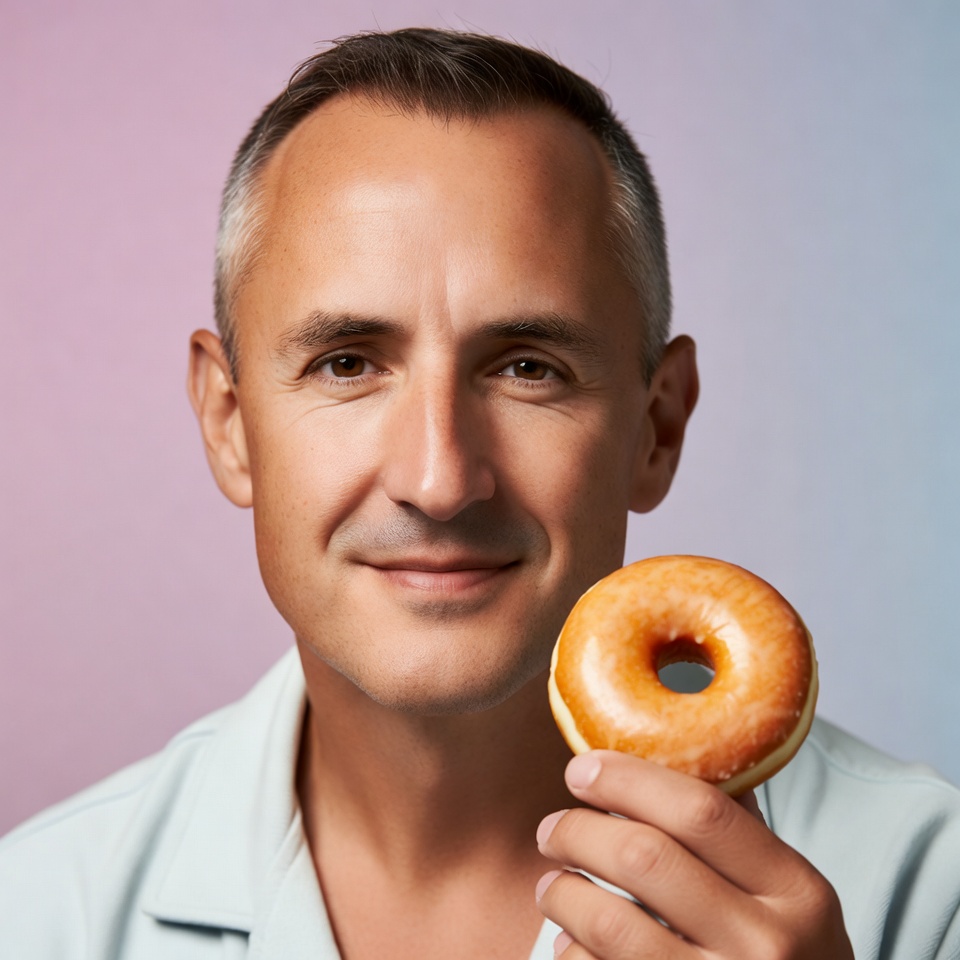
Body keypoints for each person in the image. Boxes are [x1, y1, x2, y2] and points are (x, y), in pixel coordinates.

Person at [2, 27, 959, 960]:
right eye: (347, 364)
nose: (440, 479)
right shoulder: (39, 915)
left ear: (656, 428)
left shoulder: (930, 895)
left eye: (528, 369)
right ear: (228, 423)